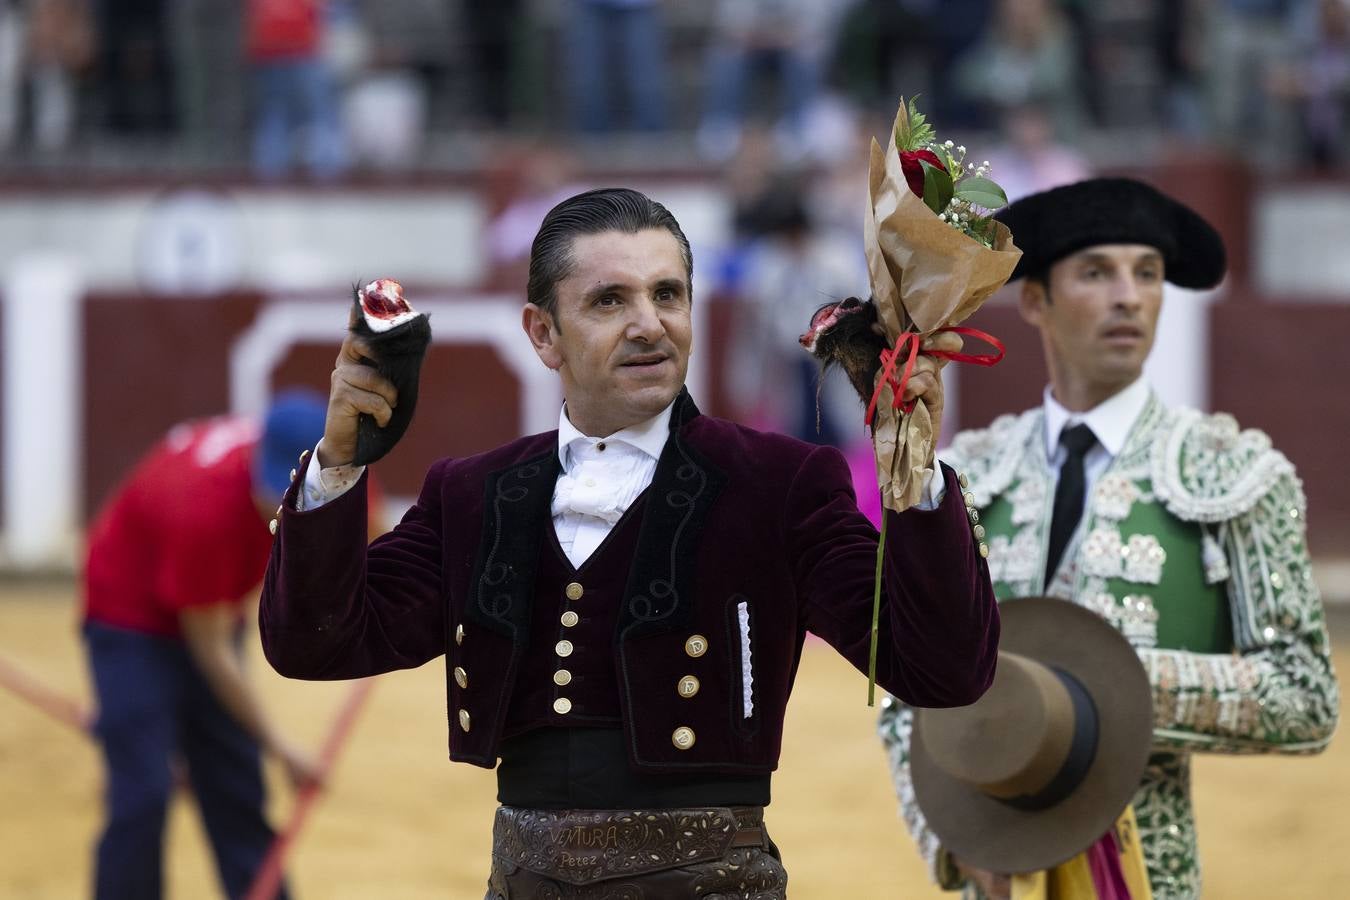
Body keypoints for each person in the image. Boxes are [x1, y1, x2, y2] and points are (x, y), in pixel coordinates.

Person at [259, 186, 999, 897]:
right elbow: (316, 645)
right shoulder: (474, 494)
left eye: (667, 294)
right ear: (542, 334)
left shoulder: (779, 484)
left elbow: (941, 671)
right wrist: (339, 465)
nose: (650, 323)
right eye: (609, 300)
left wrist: (917, 486)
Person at [879, 177, 1340, 899]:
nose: (1128, 295)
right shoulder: (967, 476)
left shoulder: (1239, 474)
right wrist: (951, 841)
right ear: (1036, 301)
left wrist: (1092, 690)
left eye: (1147, 274)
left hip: (1147, 878)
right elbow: (904, 684)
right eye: (1097, 273)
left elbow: (1305, 698)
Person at [82, 390, 330, 900]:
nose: (279, 501)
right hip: (131, 619)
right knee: (143, 794)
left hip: (212, 602)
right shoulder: (203, 510)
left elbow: (371, 540)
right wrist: (281, 747)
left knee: (235, 785)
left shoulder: (339, 467)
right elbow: (211, 651)